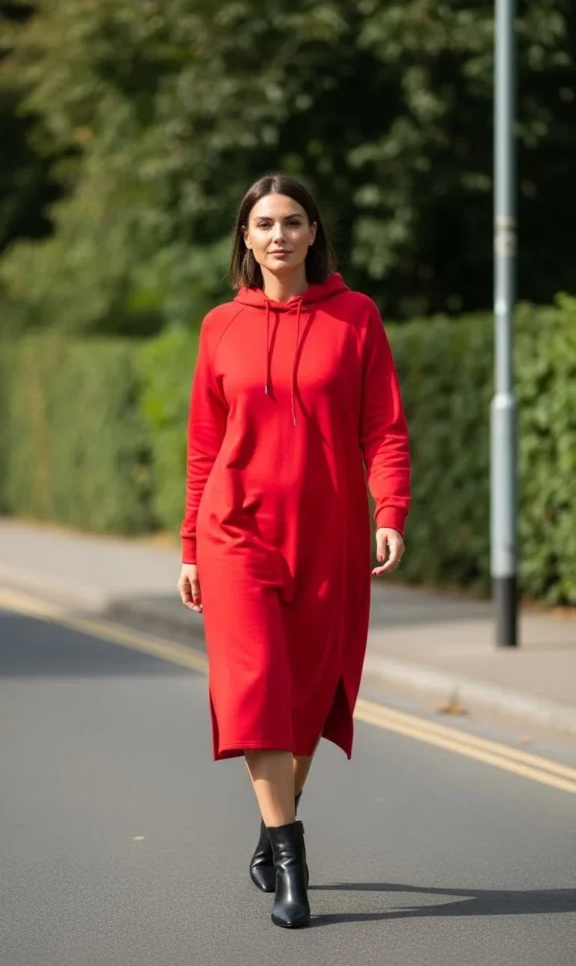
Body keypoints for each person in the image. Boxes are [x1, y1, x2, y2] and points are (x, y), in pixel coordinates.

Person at [178, 173, 410, 929]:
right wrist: (189, 544)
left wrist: (391, 509)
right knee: (256, 689)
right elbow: (204, 447)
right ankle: (291, 858)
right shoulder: (220, 326)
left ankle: (271, 822)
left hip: (328, 534)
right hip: (235, 535)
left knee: (306, 695)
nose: (279, 235)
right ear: (245, 238)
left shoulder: (356, 318)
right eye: (264, 223)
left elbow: (384, 426)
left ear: (314, 234)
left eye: (294, 222)